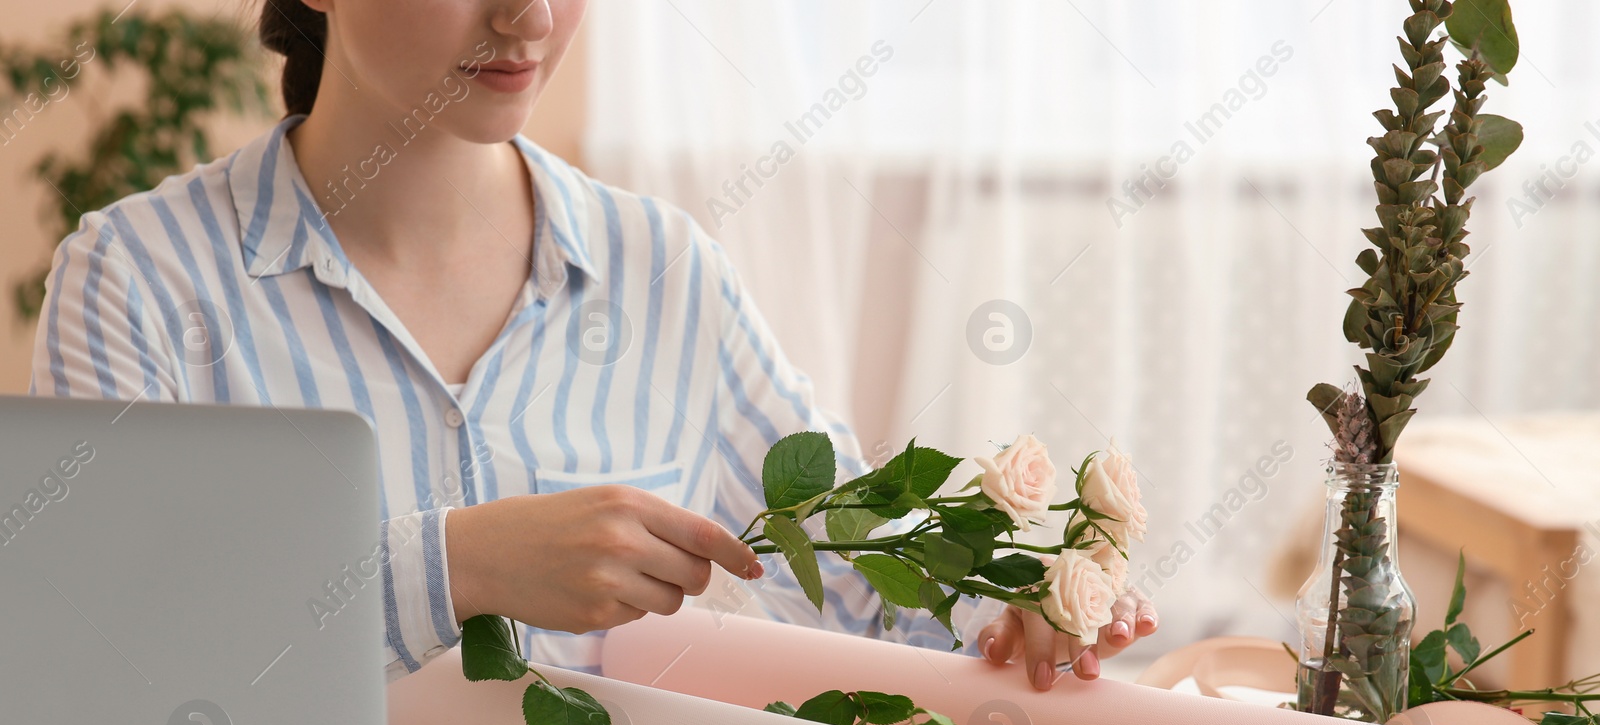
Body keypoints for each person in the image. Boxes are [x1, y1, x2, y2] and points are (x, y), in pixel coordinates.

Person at [32, 0, 1156, 689]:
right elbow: (98, 652)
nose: (527, 18)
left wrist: (1003, 604)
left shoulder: (662, 266)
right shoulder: (139, 277)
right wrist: (456, 564)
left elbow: (858, 575)